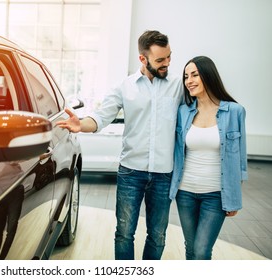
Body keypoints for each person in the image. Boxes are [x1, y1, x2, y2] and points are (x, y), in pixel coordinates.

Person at [57, 30, 183, 260]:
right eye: (160, 60)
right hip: (131, 172)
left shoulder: (178, 85)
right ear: (142, 59)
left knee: (158, 235)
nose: (167, 63)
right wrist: (81, 124)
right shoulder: (125, 87)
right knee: (124, 233)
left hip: (164, 174)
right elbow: (100, 118)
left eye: (169, 57)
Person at [169, 56, 248, 260]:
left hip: (216, 195)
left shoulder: (235, 111)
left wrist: (234, 199)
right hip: (185, 192)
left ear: (208, 75)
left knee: (202, 249)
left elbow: (240, 159)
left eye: (195, 75)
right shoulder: (183, 112)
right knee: (191, 248)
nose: (189, 81)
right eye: (186, 76)